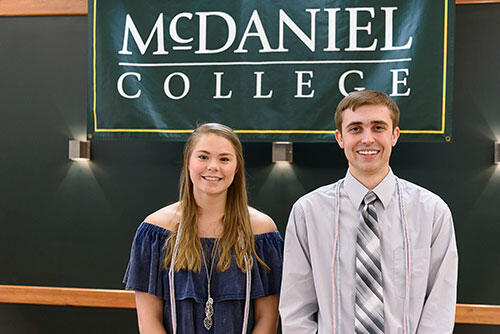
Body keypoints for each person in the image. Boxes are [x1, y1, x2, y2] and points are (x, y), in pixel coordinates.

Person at [279, 90, 458, 333]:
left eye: (378, 127)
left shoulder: (432, 212)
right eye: (355, 129)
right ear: (340, 138)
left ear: (394, 135)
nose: (367, 139)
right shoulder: (307, 213)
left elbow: (440, 305)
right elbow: (295, 309)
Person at [124, 123, 283, 333]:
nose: (213, 166)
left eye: (224, 159)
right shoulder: (154, 231)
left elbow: (268, 318)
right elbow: (148, 320)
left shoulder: (262, 231)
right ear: (188, 162)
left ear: (236, 168)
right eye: (203, 157)